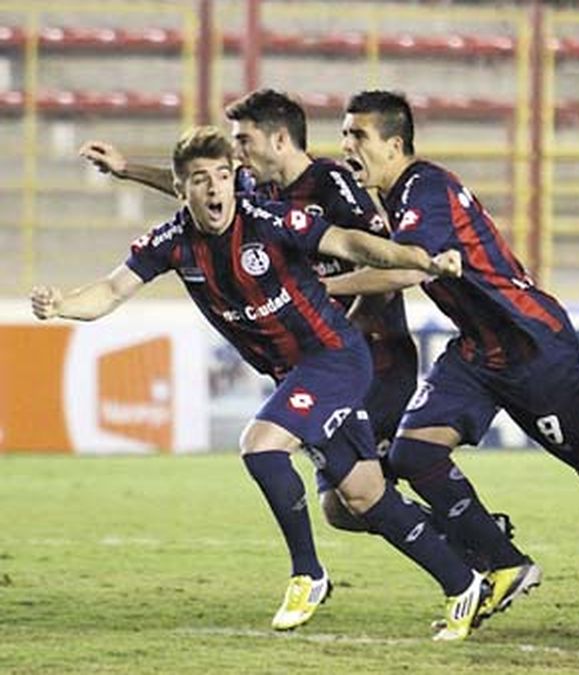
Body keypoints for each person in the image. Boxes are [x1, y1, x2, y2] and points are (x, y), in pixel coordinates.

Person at [33, 125, 490, 641]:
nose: (214, 190)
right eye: (200, 180)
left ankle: (308, 574)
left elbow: (350, 242)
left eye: (223, 176)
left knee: (261, 446)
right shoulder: (172, 242)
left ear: (235, 180)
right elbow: (112, 290)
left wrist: (421, 259)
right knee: (363, 497)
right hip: (296, 373)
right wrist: (62, 307)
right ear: (181, 190)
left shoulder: (269, 220)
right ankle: (463, 582)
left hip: (335, 358)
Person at [325, 89, 579, 632]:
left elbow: (407, 270)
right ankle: (502, 561)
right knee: (412, 454)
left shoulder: (424, 186)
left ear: (394, 144)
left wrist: (324, 287)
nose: (346, 144)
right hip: (477, 350)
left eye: (358, 135)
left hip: (532, 347)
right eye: (344, 132)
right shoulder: (397, 195)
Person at [78, 90, 516, 564]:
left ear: (279, 139)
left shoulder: (330, 184)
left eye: (243, 141)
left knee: (371, 483)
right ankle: (475, 542)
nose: (236, 154)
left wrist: (338, 318)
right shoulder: (254, 191)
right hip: (322, 359)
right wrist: (128, 170)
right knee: (343, 507)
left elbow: (385, 261)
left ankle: (487, 552)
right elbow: (199, 189)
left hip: (370, 356)